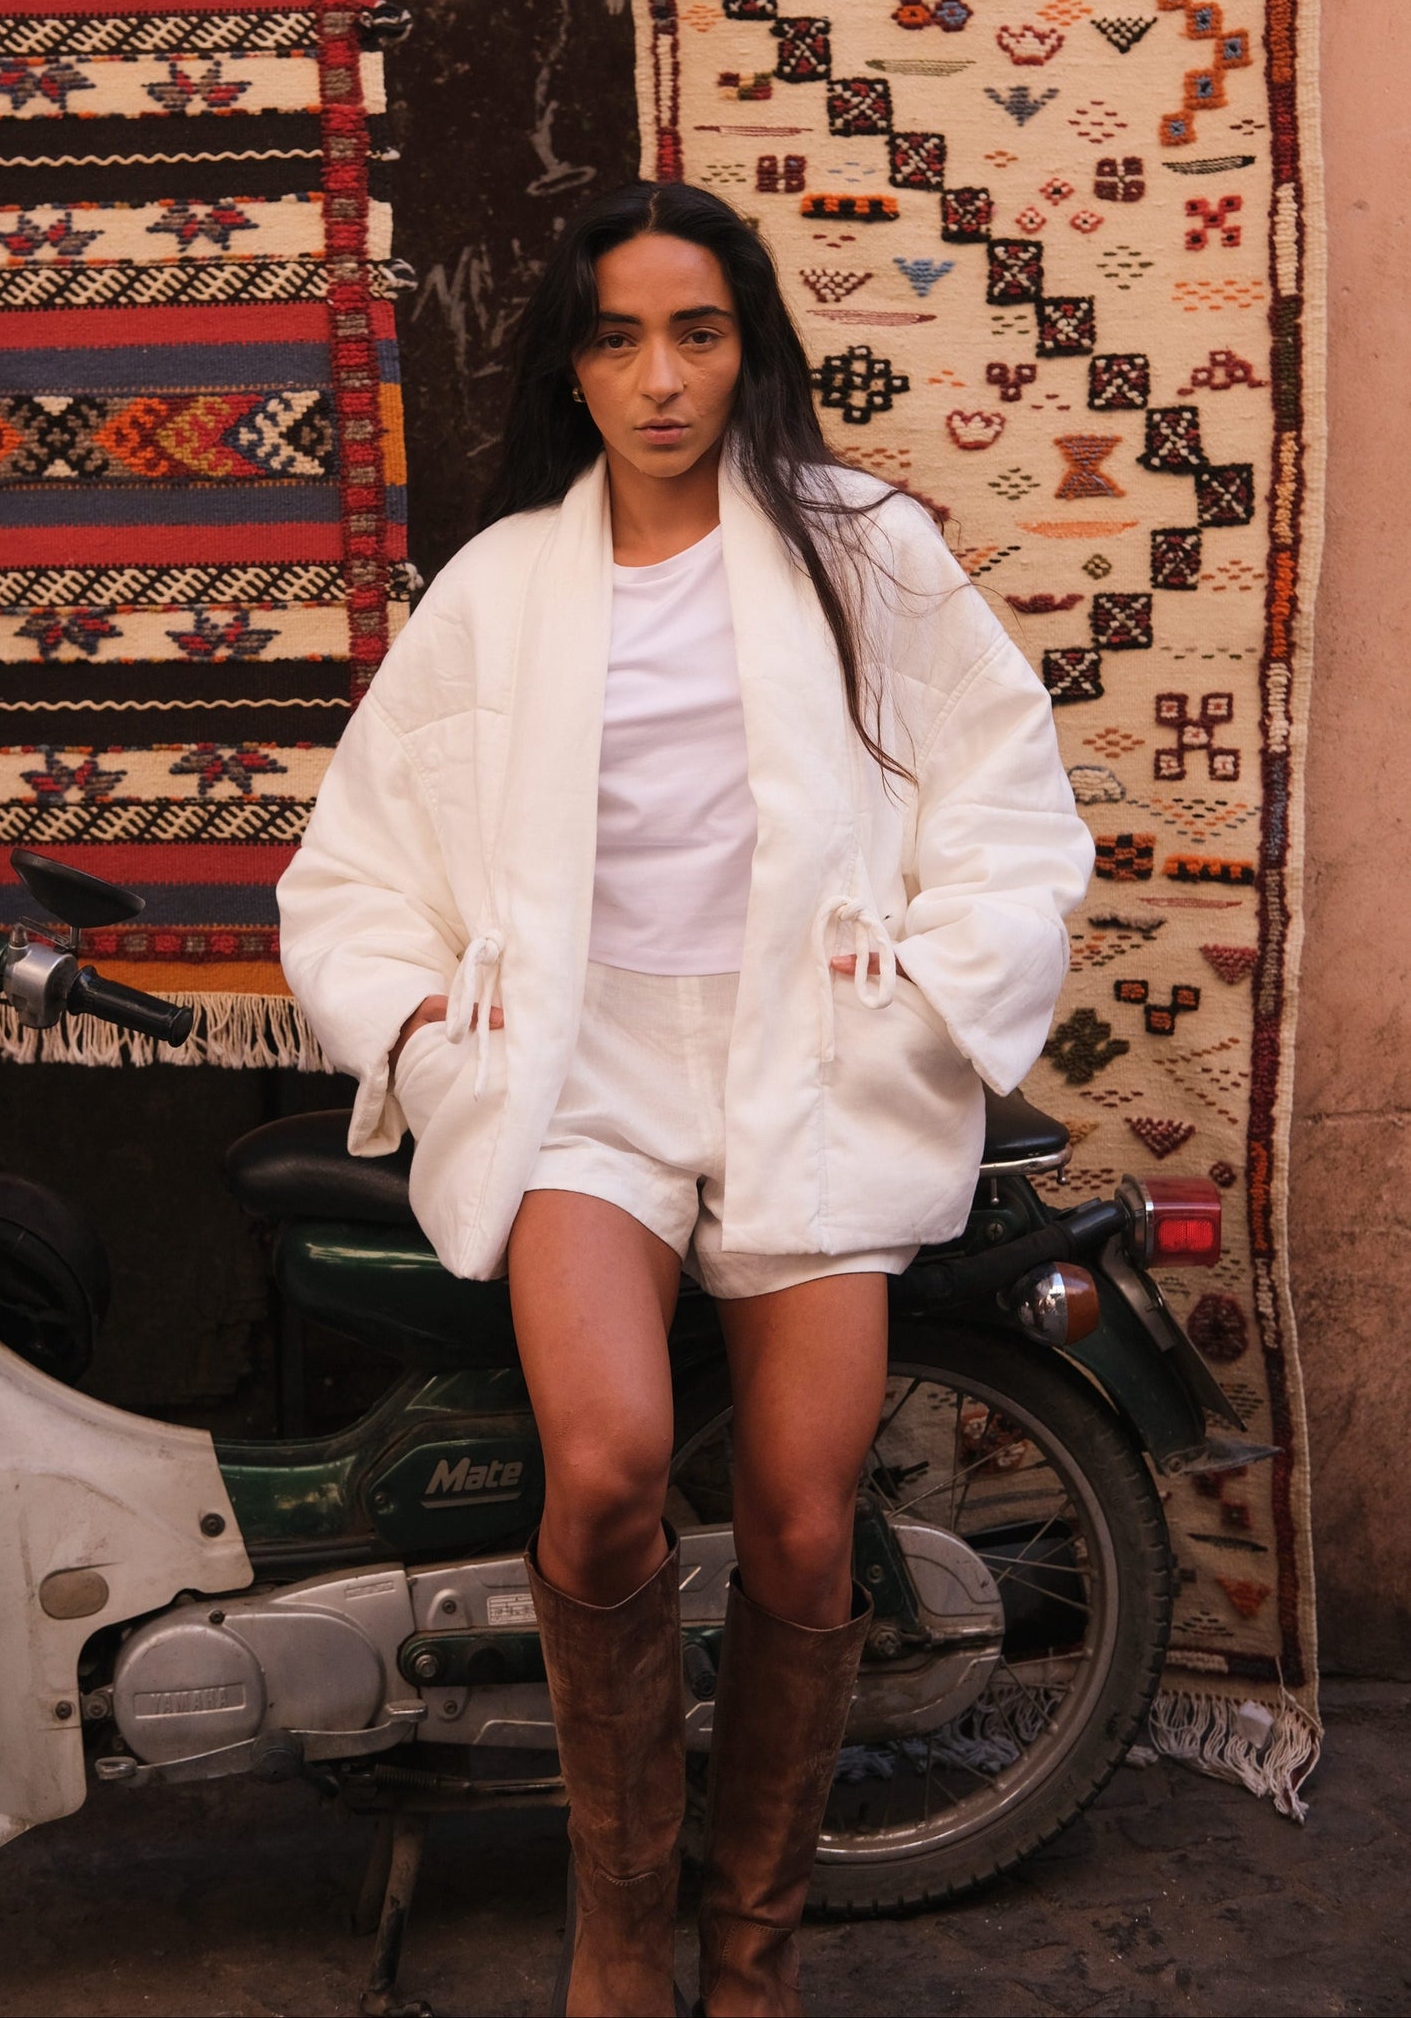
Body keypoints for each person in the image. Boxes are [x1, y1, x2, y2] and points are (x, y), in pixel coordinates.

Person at [277, 179, 1095, 2018]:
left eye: (699, 331)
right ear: (569, 366)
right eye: (618, 336)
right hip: (581, 1066)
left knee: (808, 1521)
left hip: (806, 1058)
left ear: (748, 349)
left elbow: (1007, 799)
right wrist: (419, 1022)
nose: (660, 377)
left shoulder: (859, 547)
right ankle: (616, 1928)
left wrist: (930, 991)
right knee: (612, 1469)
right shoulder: (498, 591)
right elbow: (352, 866)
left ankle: (752, 1954)